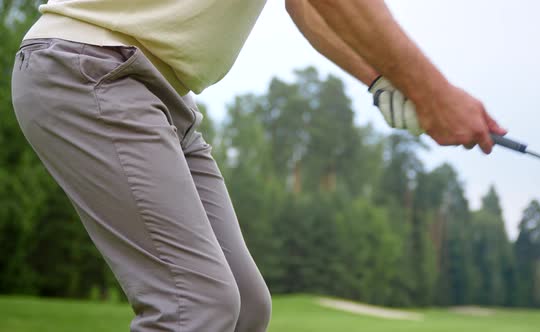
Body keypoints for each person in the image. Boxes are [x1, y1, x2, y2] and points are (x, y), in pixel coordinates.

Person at [11, 0, 506, 331]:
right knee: (197, 306)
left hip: (154, 91)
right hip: (89, 67)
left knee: (246, 306)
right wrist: (433, 93)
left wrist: (380, 81)